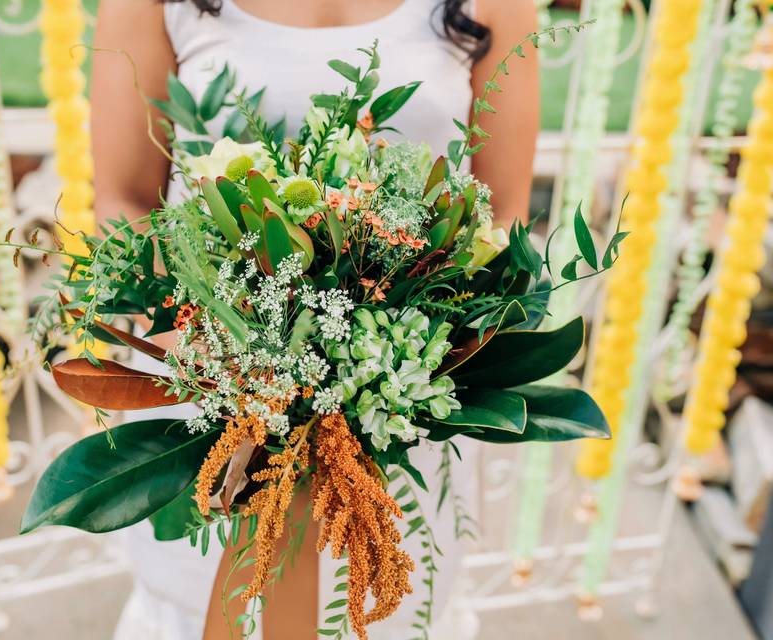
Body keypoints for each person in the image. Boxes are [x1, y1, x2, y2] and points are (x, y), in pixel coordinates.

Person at [90, 1, 539, 638]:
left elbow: (501, 219)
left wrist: (385, 366)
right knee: (197, 609)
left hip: (405, 402)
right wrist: (214, 356)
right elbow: (124, 200)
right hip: (204, 388)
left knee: (394, 609)